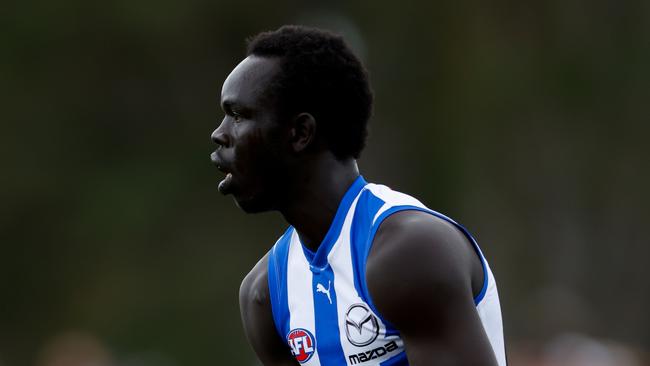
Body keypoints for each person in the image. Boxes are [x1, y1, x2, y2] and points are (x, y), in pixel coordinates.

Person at [211, 25, 506, 366]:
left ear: (300, 133)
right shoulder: (265, 295)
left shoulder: (410, 254)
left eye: (237, 115)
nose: (219, 134)